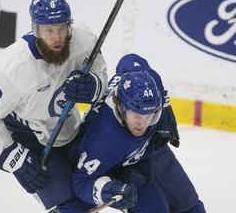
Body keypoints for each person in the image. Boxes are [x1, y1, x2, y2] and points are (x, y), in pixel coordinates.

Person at [0, 0, 107, 211]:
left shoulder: (85, 40)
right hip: (29, 137)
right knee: (71, 207)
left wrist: (94, 85)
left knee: (96, 191)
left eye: (62, 29)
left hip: (69, 128)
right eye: (49, 30)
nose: (57, 38)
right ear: (35, 29)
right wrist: (14, 158)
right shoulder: (13, 68)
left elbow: (101, 73)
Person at [71, 53, 206, 212]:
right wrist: (106, 190)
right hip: (118, 165)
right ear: (120, 107)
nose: (142, 124)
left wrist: (164, 111)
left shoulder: (148, 84)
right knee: (153, 206)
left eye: (148, 115)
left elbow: (130, 59)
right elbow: (80, 182)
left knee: (188, 203)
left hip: (151, 147)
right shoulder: (103, 141)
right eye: (136, 116)